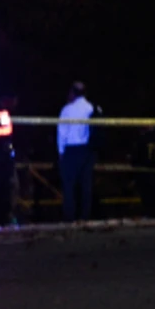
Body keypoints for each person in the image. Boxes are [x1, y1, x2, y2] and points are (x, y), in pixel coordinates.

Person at [57, 82, 98, 223]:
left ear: (72, 93)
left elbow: (62, 132)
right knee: (85, 184)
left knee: (69, 186)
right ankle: (85, 216)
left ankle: (70, 217)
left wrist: (61, 152)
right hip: (87, 150)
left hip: (71, 150)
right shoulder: (92, 108)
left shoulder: (67, 109)